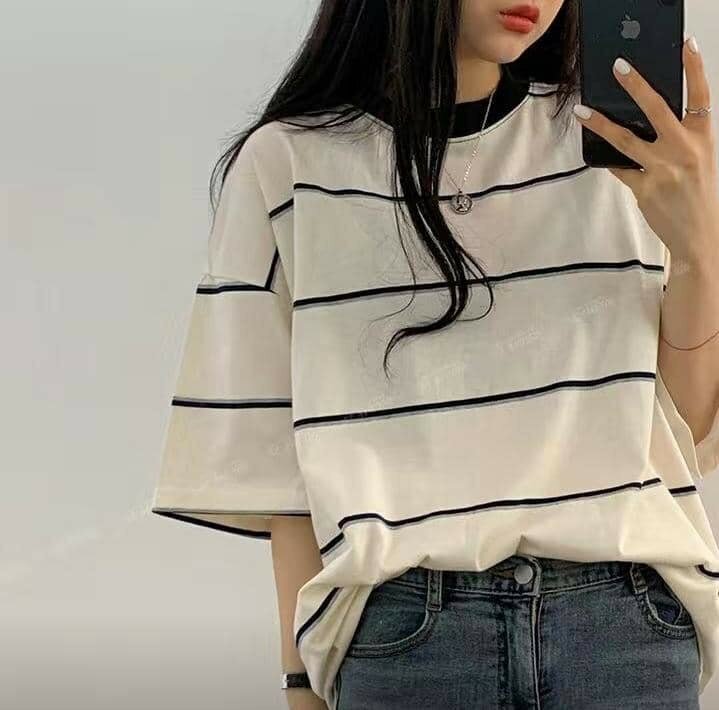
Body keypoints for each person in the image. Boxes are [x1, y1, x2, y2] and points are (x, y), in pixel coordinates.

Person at [151, 1, 719, 708]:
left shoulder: (611, 147)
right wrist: (301, 684)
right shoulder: (287, 165)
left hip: (624, 629)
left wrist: (699, 249)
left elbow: (685, 430)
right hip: (408, 642)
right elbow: (281, 474)